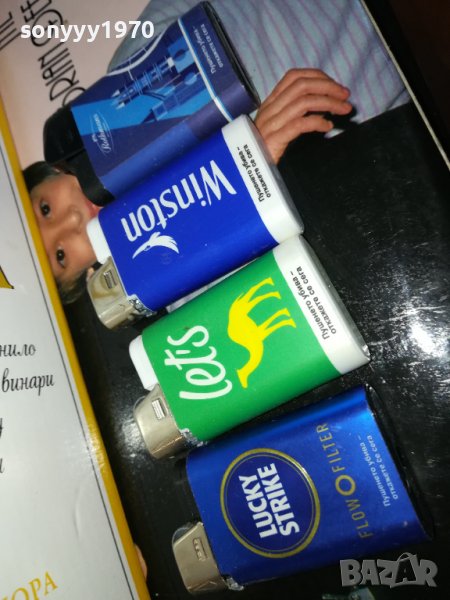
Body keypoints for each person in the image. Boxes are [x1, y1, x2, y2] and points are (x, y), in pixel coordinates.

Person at [25, 0, 409, 300]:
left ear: (52, 172)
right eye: (61, 255)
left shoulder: (117, 88)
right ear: (87, 277)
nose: (72, 220)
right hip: (393, 62)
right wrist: (251, 156)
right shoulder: (178, 273)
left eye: (45, 209)